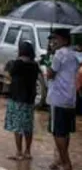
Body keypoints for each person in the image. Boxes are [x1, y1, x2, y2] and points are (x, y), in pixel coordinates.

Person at [47, 27, 79, 170]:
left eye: (56, 39)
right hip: (70, 99)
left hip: (57, 98)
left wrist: (48, 60)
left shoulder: (59, 54)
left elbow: (50, 74)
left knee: (57, 132)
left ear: (64, 40)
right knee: (65, 132)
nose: (53, 41)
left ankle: (66, 162)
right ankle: (60, 159)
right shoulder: (75, 54)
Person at [4, 41, 39, 161]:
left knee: (17, 127)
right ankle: (27, 151)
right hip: (29, 100)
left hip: (17, 99)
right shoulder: (34, 65)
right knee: (28, 127)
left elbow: (8, 76)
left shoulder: (17, 64)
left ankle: (18, 152)